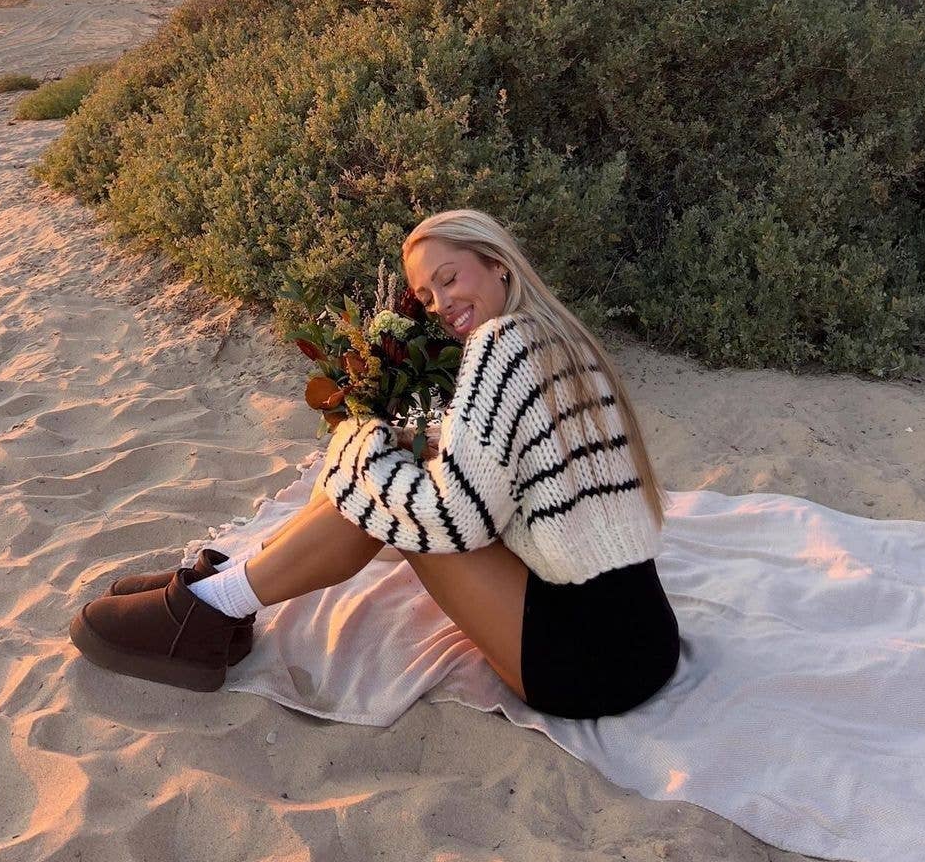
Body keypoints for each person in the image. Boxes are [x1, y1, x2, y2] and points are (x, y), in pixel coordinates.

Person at [69, 209, 681, 719]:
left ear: (497, 263)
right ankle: (218, 591)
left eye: (450, 277)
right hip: (643, 631)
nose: (442, 303)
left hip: (590, 662)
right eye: (426, 294)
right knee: (382, 480)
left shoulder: (505, 342)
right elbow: (513, 464)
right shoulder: (559, 336)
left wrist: (361, 443)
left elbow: (453, 520)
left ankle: (211, 608)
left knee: (382, 492)